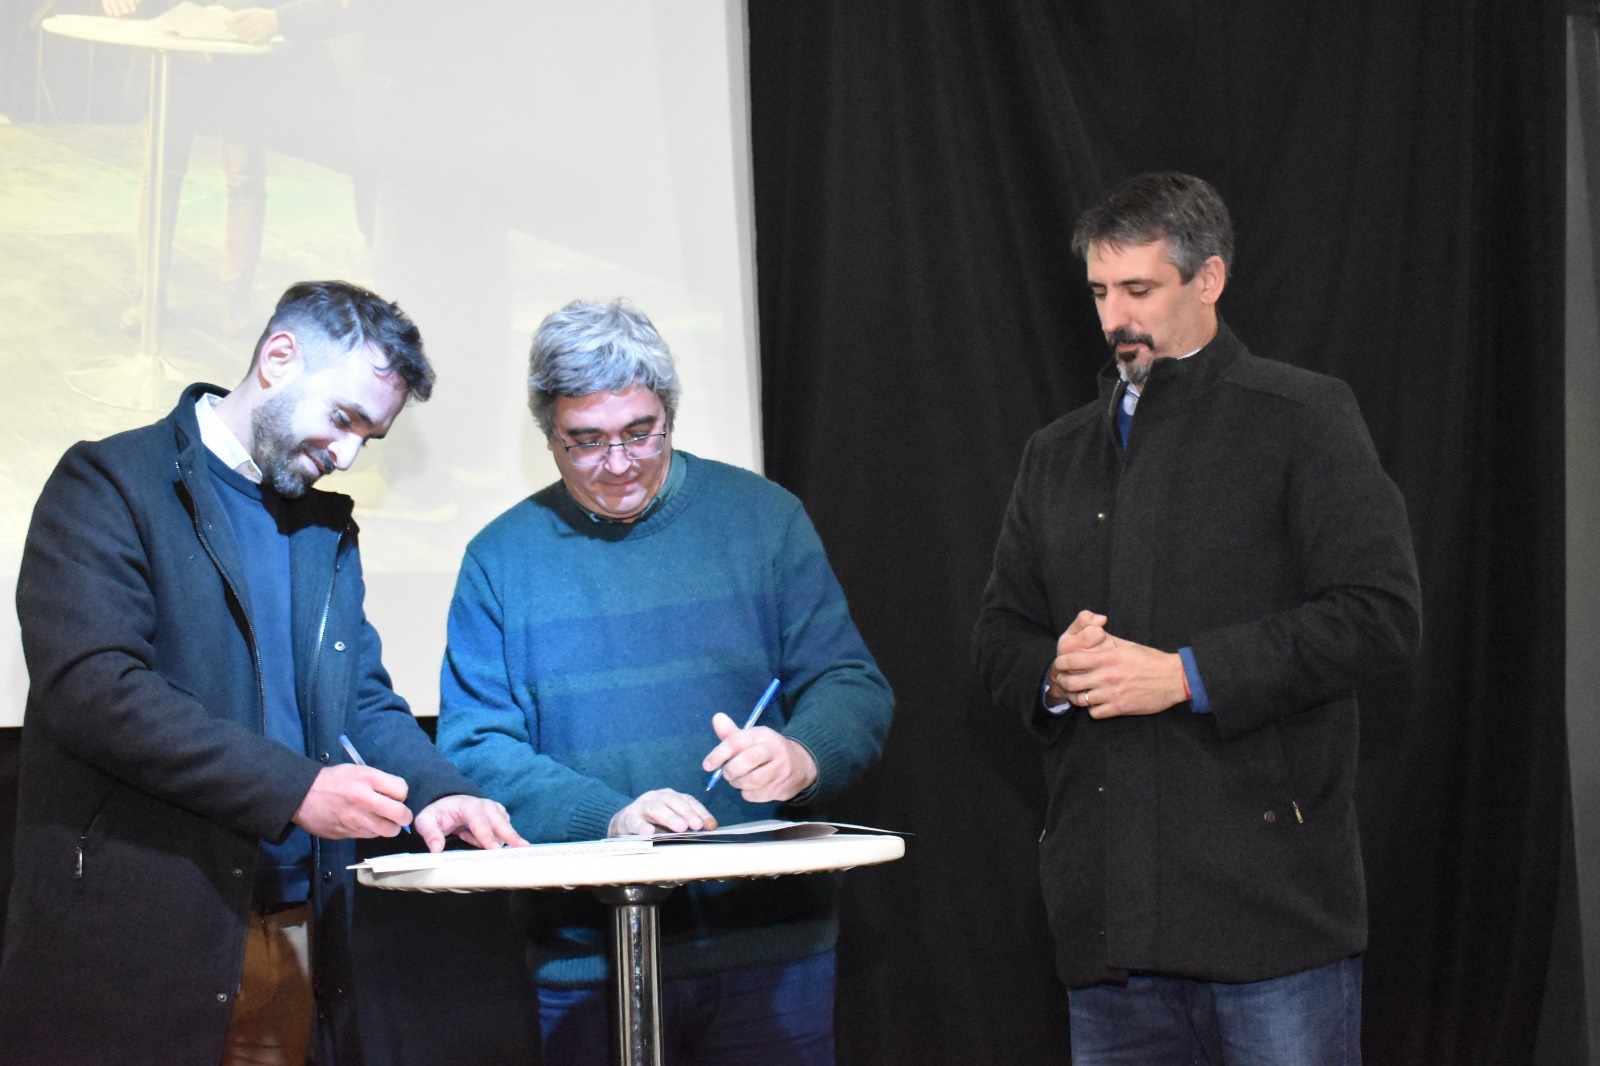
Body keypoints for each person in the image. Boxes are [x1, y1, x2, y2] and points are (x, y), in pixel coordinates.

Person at [0, 280, 526, 1066]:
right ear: (279, 358)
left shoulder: (321, 527)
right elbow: (95, 690)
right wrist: (296, 789)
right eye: (343, 418)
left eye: (369, 437)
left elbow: (360, 701)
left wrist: (437, 788)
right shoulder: (109, 482)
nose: (346, 455)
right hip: (139, 948)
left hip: (297, 935)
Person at [972, 172, 1422, 1063]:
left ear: (1208, 278)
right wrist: (1054, 673)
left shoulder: (1302, 417)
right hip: (1106, 926)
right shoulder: (1056, 453)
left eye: (1139, 290)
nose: (1115, 317)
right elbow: (998, 636)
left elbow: (1381, 615)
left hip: (1271, 916)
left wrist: (1183, 676)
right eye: (1100, 292)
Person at [436, 299, 893, 1065]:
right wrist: (612, 820)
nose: (618, 463)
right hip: (588, 958)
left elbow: (850, 683)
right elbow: (478, 747)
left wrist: (801, 753)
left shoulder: (764, 520)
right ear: (548, 434)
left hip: (771, 946)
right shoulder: (500, 559)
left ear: (670, 415)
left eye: (639, 432)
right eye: (586, 441)